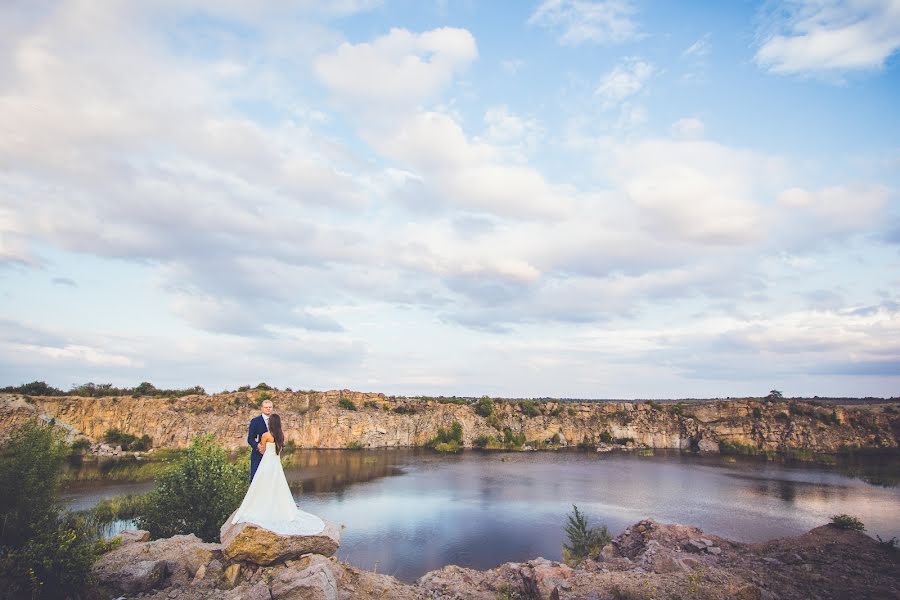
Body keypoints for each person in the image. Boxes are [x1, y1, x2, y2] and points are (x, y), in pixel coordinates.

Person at [231, 413, 325, 535]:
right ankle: (277, 507)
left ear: (270, 423)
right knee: (277, 486)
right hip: (276, 465)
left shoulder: (265, 435)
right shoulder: (281, 436)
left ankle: (262, 506)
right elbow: (278, 449)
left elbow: (262, 449)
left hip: (266, 464)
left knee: (261, 485)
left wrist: (260, 447)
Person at [247, 399, 273, 482]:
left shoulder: (275, 421)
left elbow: (279, 436)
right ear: (261, 408)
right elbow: (250, 438)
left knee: (270, 481)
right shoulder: (255, 421)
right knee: (256, 480)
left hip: (272, 456)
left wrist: (280, 447)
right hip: (258, 455)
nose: (268, 409)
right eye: (266, 407)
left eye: (270, 407)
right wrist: (258, 446)